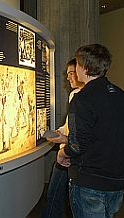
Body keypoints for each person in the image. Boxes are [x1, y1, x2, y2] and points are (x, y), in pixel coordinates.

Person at [57, 44, 124, 218]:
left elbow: (77, 145)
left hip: (90, 181)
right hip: (117, 180)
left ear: (84, 67)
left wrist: (62, 153)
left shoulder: (82, 99)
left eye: (77, 63)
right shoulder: (120, 95)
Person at [42, 58, 84, 218]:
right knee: (55, 195)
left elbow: (82, 136)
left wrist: (64, 144)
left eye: (71, 73)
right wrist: (56, 132)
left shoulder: (83, 98)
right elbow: (69, 126)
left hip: (71, 155)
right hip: (67, 153)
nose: (68, 78)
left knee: (55, 196)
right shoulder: (74, 94)